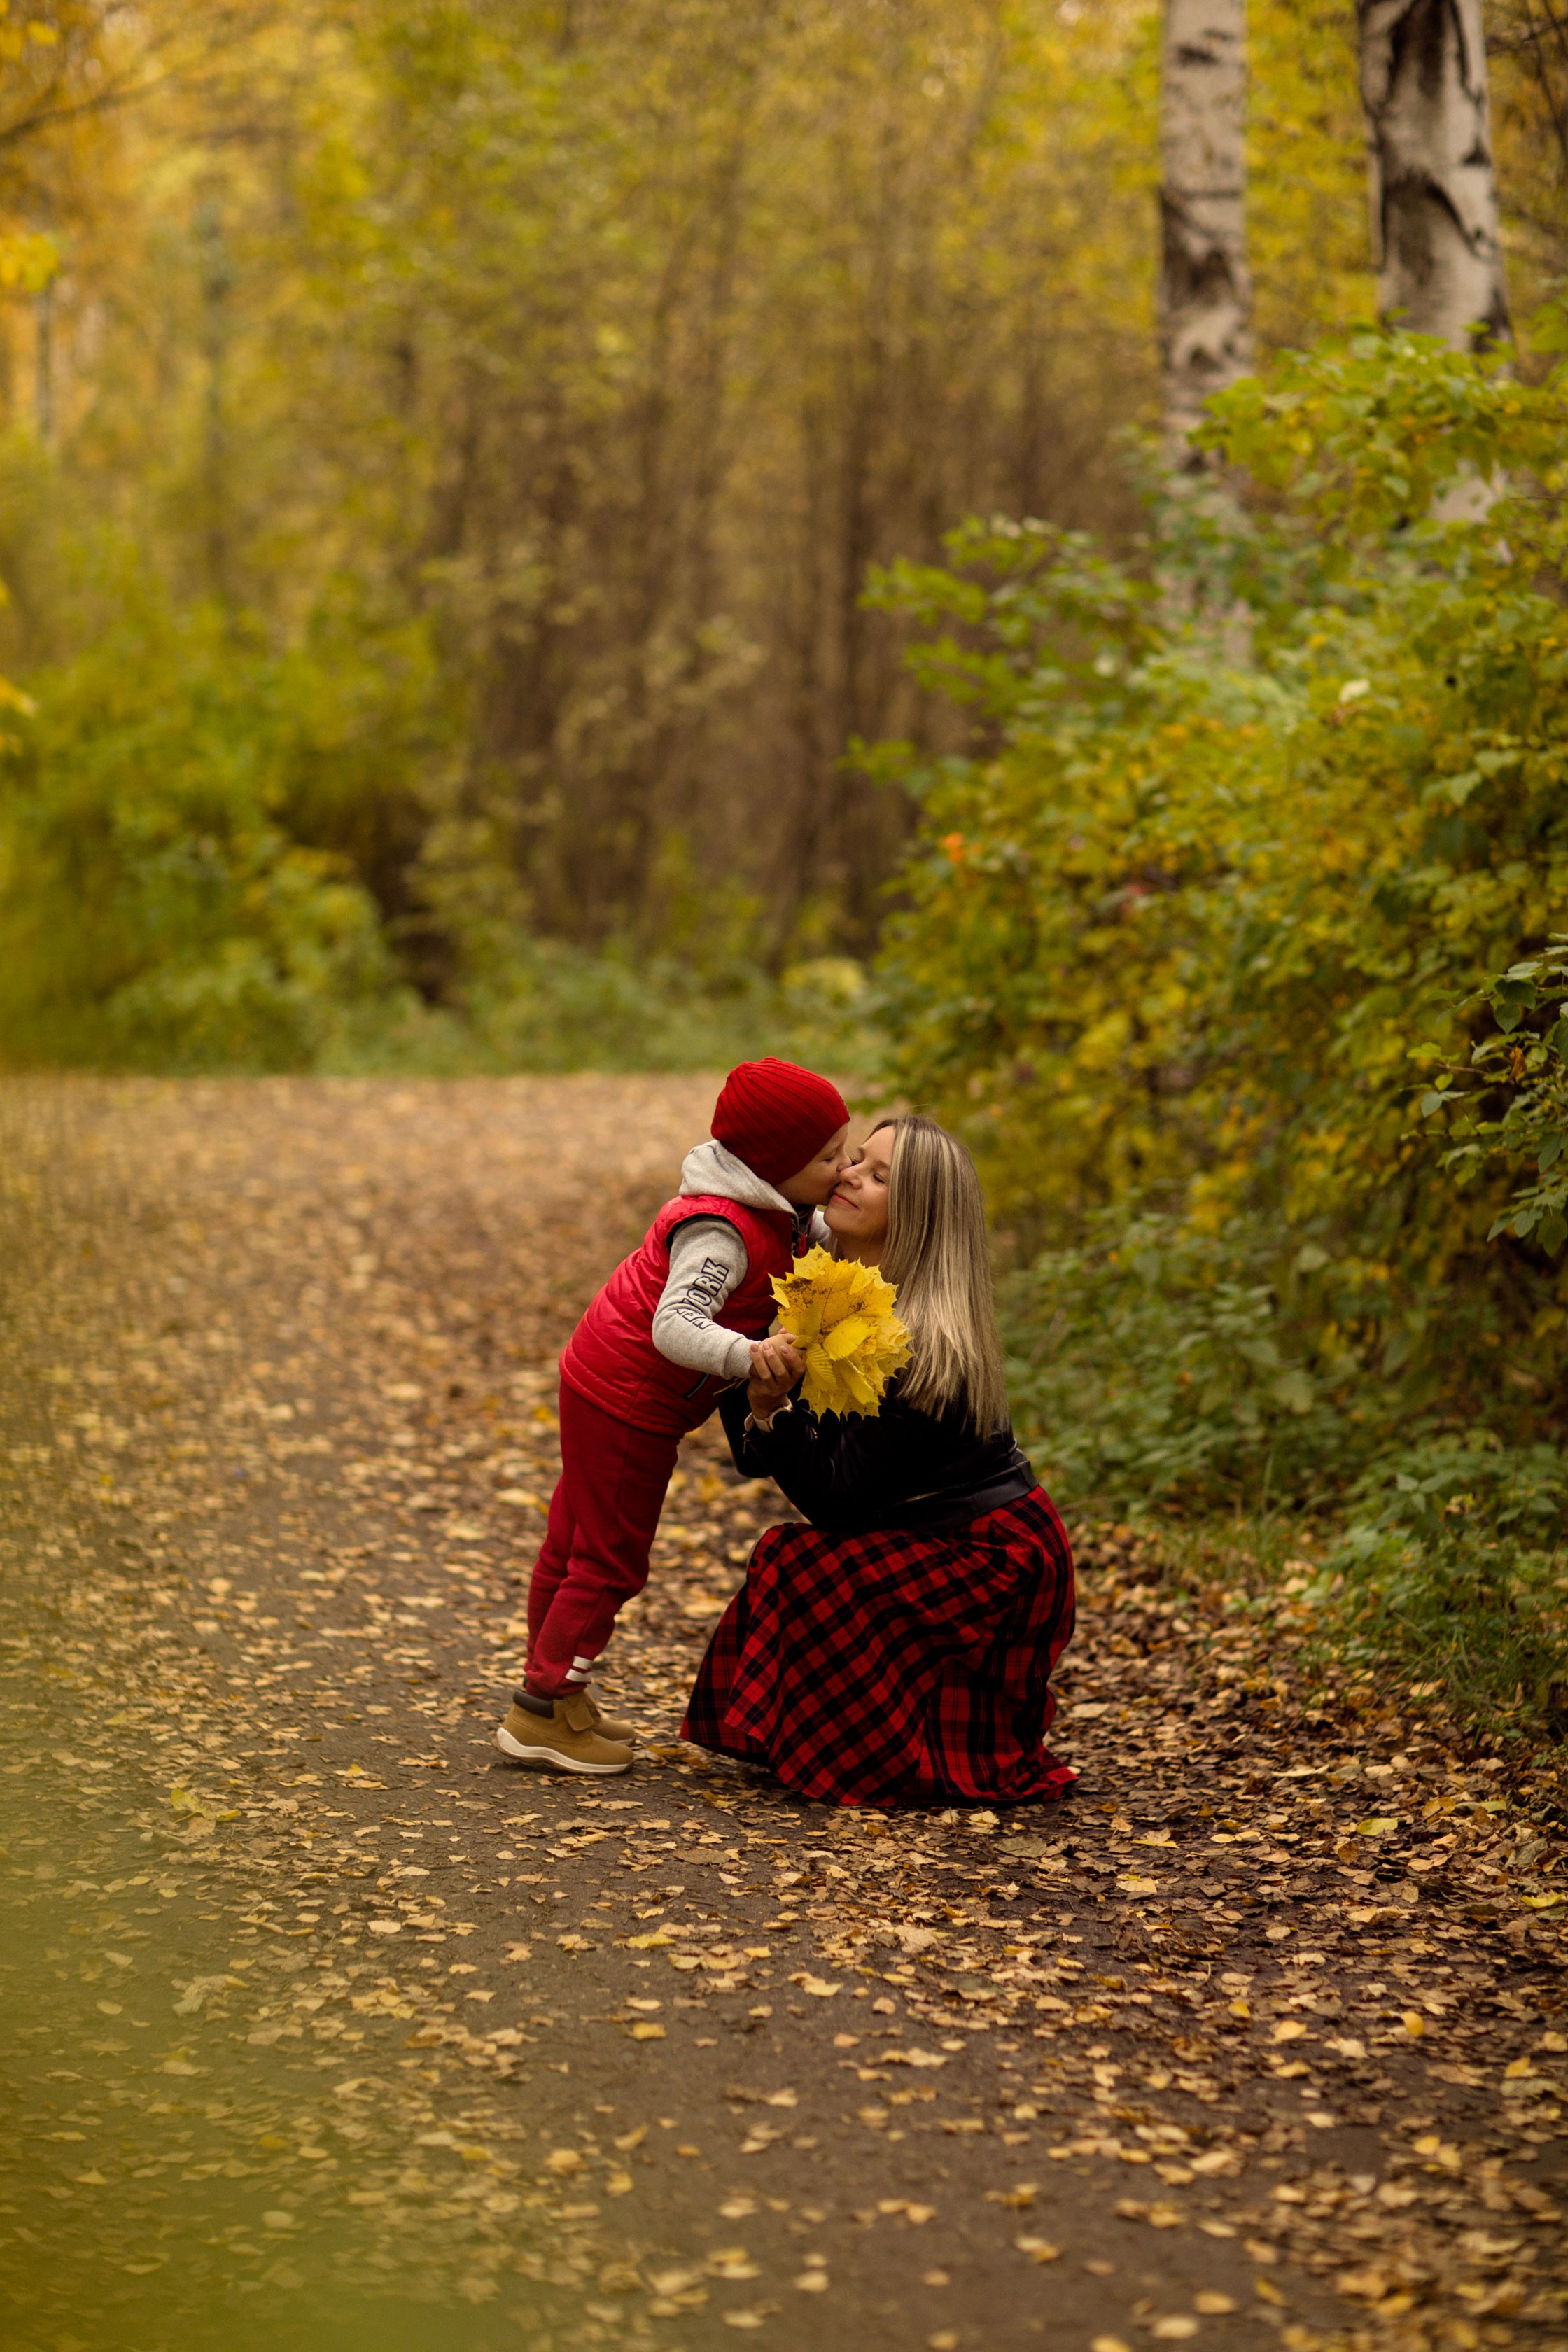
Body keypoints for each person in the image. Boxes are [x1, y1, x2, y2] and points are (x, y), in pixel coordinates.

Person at [682, 1115, 1076, 1808]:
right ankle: (825, 1740)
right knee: (795, 1560)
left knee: (805, 1564)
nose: (847, 1175)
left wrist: (772, 1410)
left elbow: (837, 1499)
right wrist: (747, 1352)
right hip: (926, 1533)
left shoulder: (927, 1339)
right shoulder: (837, 1294)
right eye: (854, 1160)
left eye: (877, 1174)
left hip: (991, 1558)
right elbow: (759, 1461)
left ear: (918, 1211)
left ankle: (887, 1752)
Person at [495, 1058, 851, 1775]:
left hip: (598, 1375)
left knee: (572, 1538)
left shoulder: (776, 1211)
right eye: (827, 1157)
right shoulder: (720, 1231)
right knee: (609, 1556)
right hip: (627, 1397)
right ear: (772, 1164)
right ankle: (539, 1710)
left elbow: (815, 1244)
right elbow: (674, 1325)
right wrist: (749, 1357)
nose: (842, 1168)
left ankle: (558, 1693)